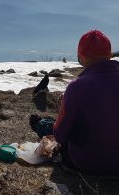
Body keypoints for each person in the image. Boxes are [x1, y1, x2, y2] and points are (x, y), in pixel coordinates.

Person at [32, 30, 119, 174]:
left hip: (86, 162)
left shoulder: (77, 87)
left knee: (48, 126)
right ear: (109, 54)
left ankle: (38, 124)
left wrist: (63, 108)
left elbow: (60, 135)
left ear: (82, 57)